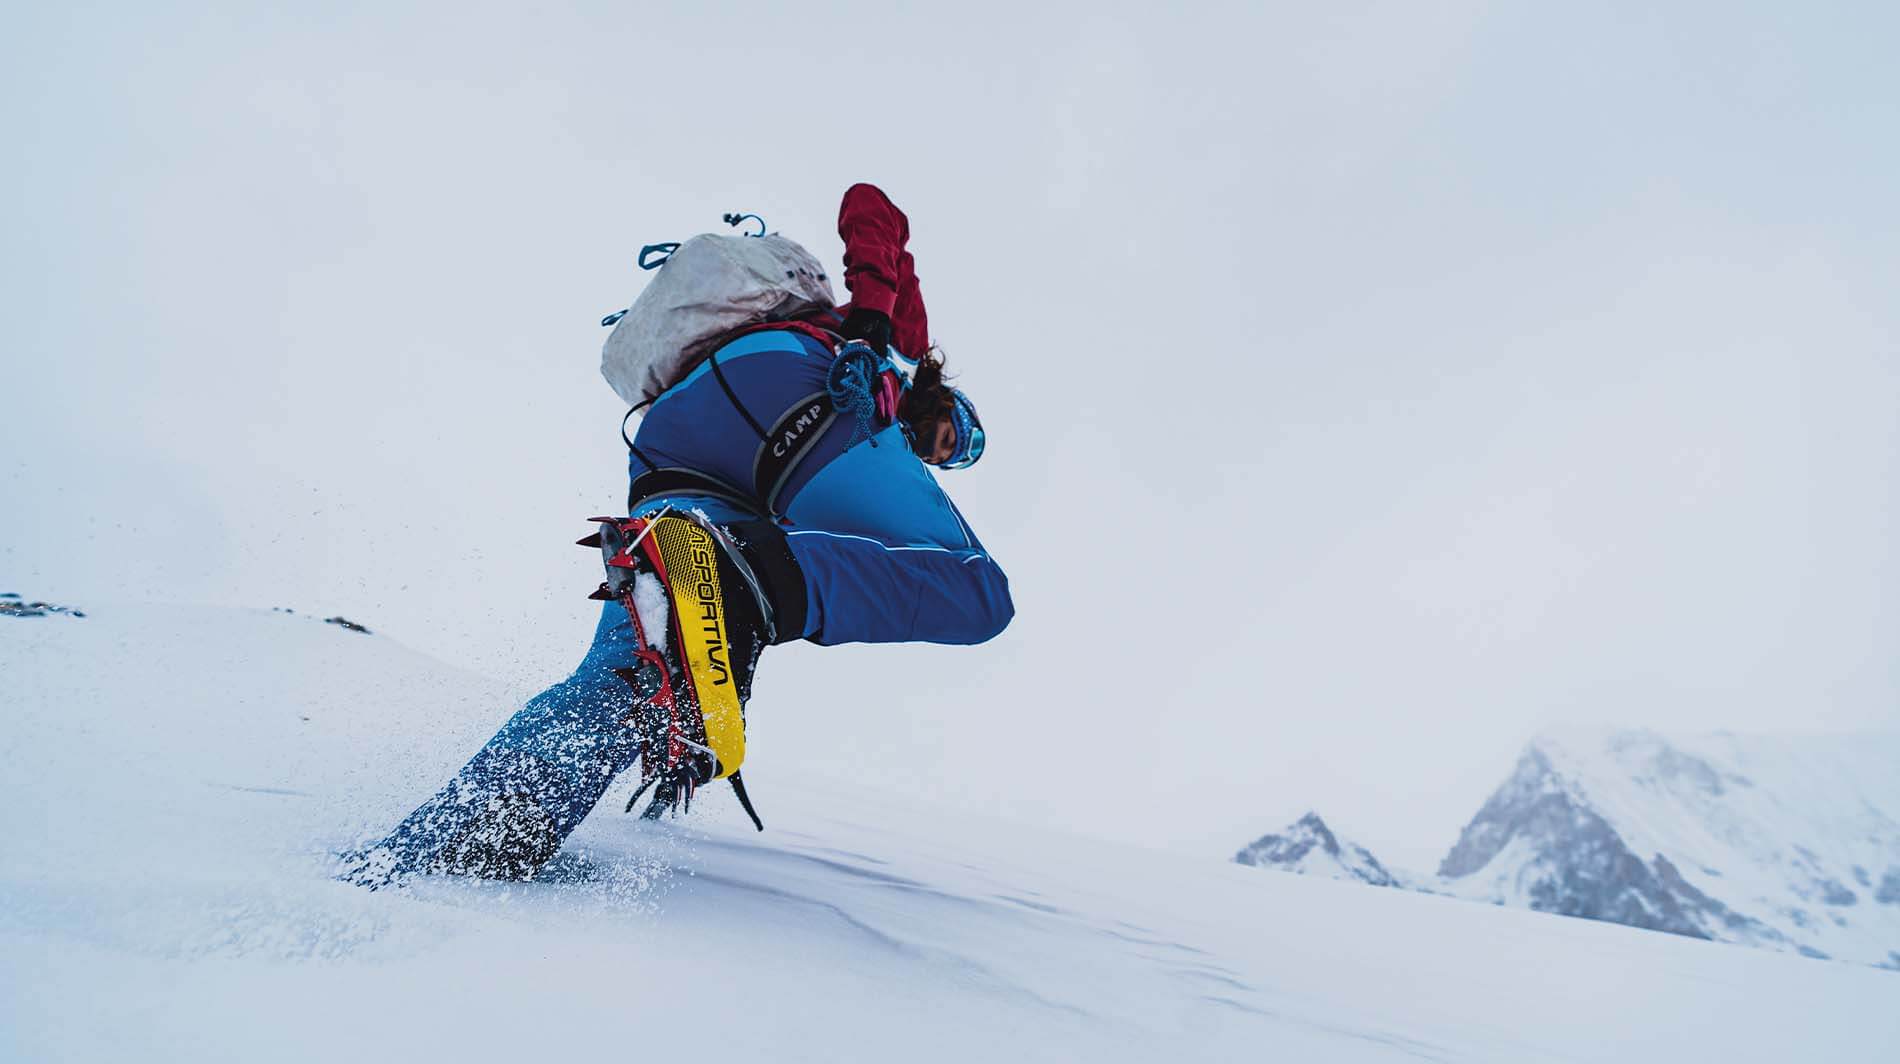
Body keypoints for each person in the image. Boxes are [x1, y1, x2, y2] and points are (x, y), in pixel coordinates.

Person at [342, 184, 1011, 885]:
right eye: (942, 438)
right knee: (977, 593)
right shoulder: (896, 355)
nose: (933, 457)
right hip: (794, 392)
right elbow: (871, 205)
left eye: (942, 458)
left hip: (673, 449)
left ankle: (455, 849)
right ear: (944, 398)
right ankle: (738, 586)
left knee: (634, 670)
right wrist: (873, 327)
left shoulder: (827, 470)